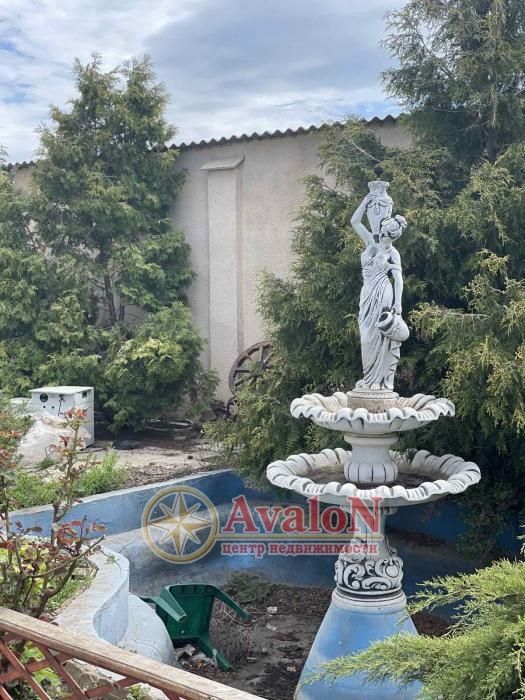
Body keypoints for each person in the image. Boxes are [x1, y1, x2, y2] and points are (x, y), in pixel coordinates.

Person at [350, 193, 407, 391]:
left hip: (383, 292)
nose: (381, 236)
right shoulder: (370, 242)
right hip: (367, 293)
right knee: (366, 337)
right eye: (382, 232)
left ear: (392, 236)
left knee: (381, 336)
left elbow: (398, 279)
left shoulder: (393, 253)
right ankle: (368, 378)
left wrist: (398, 303)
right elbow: (355, 222)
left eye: (385, 235)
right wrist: (365, 202)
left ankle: (379, 380)